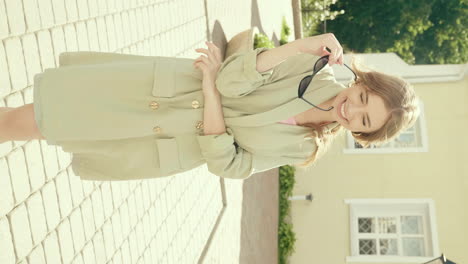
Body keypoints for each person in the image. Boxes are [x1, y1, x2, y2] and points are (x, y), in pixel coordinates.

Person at [0, 33, 419, 181]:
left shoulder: (305, 147)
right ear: (362, 81)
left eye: (363, 120)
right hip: (161, 93)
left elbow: (230, 167)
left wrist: (214, 98)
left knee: (44, 122)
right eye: (363, 98)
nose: (351, 110)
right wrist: (299, 46)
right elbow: (232, 78)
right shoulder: (308, 66)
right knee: (42, 116)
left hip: (163, 138)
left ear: (363, 133)